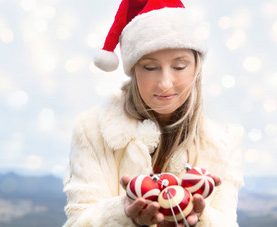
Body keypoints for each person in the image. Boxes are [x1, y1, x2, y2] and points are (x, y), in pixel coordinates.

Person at [63, 0, 244, 226]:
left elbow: (226, 220)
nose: (165, 83)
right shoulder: (91, 130)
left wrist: (200, 218)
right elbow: (77, 221)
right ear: (134, 70)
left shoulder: (224, 140)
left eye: (179, 66)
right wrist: (122, 214)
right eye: (150, 67)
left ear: (197, 68)